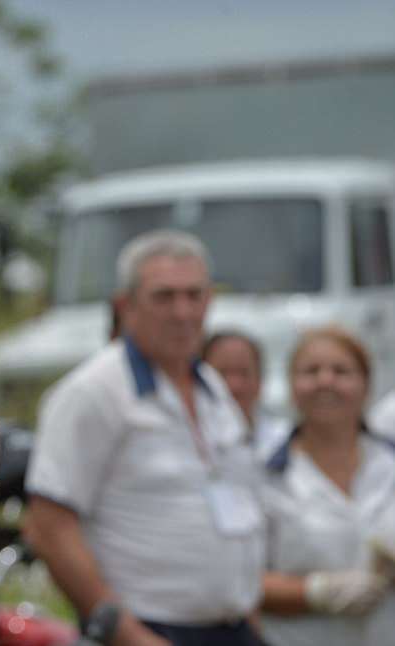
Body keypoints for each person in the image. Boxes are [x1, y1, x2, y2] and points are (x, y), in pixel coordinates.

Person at [24, 229, 266, 646]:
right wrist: (127, 634)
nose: (182, 312)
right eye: (164, 296)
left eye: (194, 295)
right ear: (126, 305)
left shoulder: (211, 385)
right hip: (151, 631)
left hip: (232, 626)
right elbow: (47, 527)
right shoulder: (93, 391)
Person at [259, 326, 395, 646]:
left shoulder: (388, 464)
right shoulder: (264, 474)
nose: (325, 381)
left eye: (341, 371)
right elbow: (237, 580)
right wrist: (315, 592)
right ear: (291, 386)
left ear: (366, 385)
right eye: (311, 371)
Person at [203, 331, 289, 461]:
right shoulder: (181, 439)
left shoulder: (285, 441)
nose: (235, 385)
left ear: (261, 380)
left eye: (243, 373)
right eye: (223, 373)